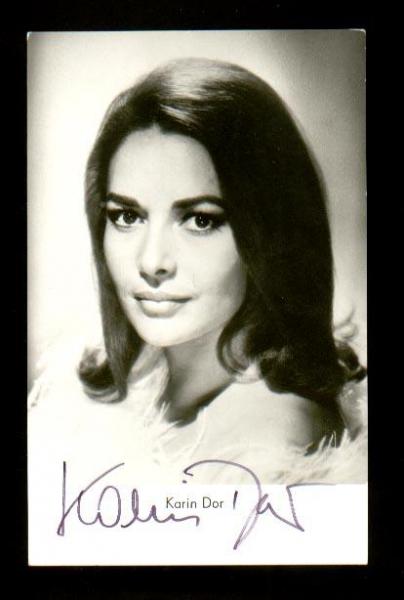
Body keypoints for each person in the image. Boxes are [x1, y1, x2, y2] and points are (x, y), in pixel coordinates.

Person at [28, 57, 367, 485]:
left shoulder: (265, 449)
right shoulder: (115, 392)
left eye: (200, 220)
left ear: (270, 233)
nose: (152, 262)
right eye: (127, 216)